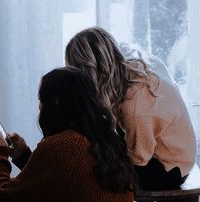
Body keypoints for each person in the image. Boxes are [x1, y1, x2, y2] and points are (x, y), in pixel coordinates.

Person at [0, 67, 135, 202]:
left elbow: (2, 199)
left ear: (55, 103)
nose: (40, 108)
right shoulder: (107, 141)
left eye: (42, 100)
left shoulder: (63, 146)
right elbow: (57, 181)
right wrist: (23, 155)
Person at [65, 26, 197, 191]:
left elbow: (139, 159)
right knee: (94, 155)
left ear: (90, 72)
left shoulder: (135, 105)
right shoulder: (130, 69)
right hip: (169, 151)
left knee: (94, 173)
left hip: (169, 166)